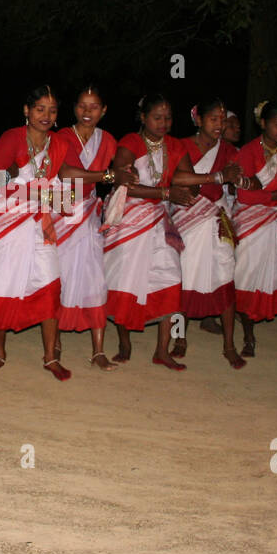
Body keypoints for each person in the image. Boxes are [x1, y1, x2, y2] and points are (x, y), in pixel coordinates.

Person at [0, 85, 77, 380]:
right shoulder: (11, 138)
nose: (46, 116)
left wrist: (54, 194)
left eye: (52, 110)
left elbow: (63, 182)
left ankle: (50, 357)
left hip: (41, 222)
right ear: (26, 111)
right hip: (8, 223)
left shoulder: (58, 144)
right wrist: (26, 186)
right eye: (39, 109)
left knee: (48, 284)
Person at [105, 94, 207, 370]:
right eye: (157, 118)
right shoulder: (130, 143)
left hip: (160, 221)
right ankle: (124, 344)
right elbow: (123, 181)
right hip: (131, 218)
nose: (164, 123)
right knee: (127, 280)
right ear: (143, 118)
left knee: (170, 277)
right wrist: (166, 192)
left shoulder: (175, 145)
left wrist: (197, 186)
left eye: (168, 118)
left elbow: (187, 177)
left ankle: (162, 350)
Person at [54, 85, 133, 370]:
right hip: (63, 212)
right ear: (74, 108)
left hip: (88, 214)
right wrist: (109, 175)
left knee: (94, 277)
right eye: (82, 106)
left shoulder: (109, 140)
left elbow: (120, 175)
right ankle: (55, 342)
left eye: (94, 106)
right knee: (60, 275)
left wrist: (124, 176)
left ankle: (98, 350)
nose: (87, 112)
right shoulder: (61, 136)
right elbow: (66, 173)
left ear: (104, 110)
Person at [170, 99, 244, 367]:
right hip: (190, 217)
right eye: (213, 119)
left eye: (222, 120)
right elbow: (177, 179)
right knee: (186, 277)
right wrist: (216, 177)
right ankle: (180, 338)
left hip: (216, 217)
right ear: (199, 120)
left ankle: (229, 344)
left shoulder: (229, 150)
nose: (219, 124)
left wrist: (237, 181)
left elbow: (236, 182)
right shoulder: (182, 146)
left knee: (225, 274)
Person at [233, 100, 277, 361]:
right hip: (252, 220)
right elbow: (245, 195)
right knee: (247, 275)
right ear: (263, 124)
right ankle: (249, 337)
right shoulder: (249, 152)